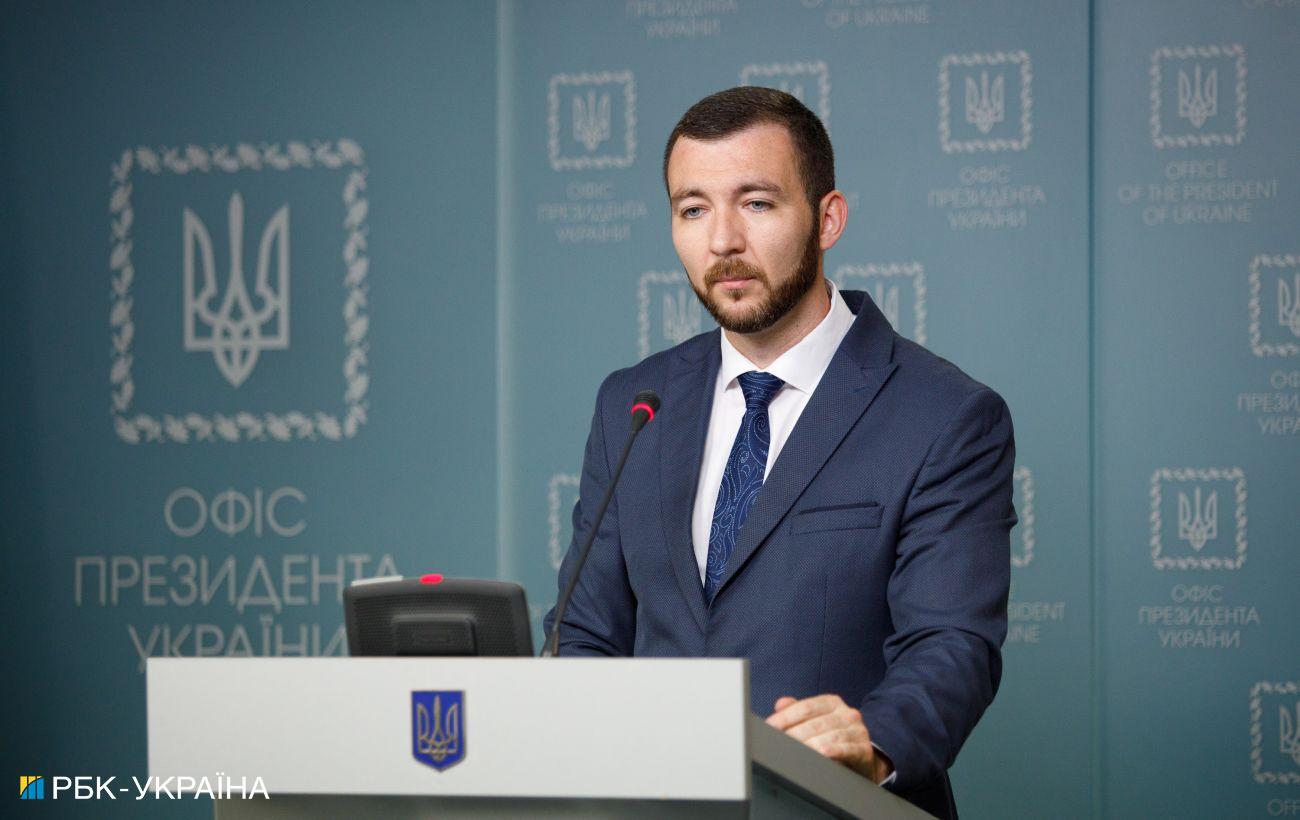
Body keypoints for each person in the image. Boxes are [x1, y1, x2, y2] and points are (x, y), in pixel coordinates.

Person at [544, 86, 1015, 819]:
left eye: (757, 203)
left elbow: (952, 646)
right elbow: (584, 634)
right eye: (692, 209)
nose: (722, 241)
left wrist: (872, 742)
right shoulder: (633, 405)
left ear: (827, 219)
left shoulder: (946, 416)